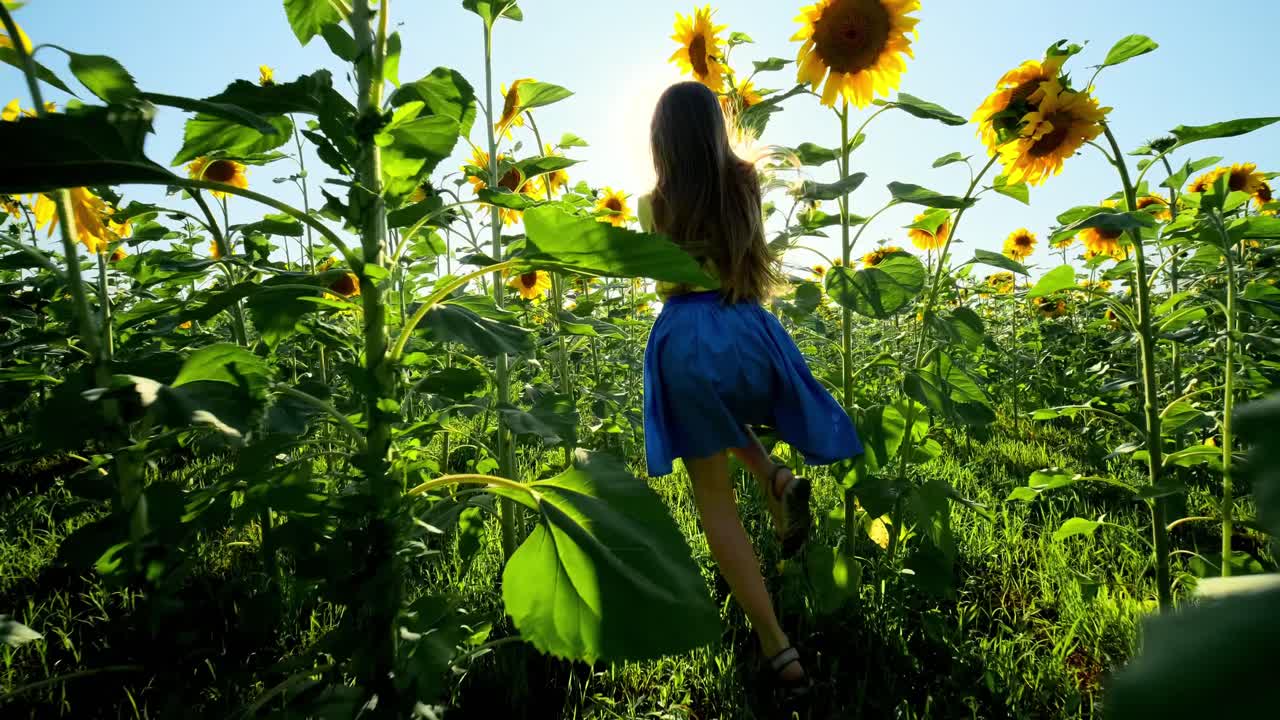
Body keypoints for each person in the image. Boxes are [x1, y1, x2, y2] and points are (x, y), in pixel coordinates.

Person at [638, 81, 863, 698]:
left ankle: (775, 644)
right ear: (718, 129)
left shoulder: (651, 204)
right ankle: (774, 476)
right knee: (720, 411)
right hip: (745, 328)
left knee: (713, 497)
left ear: (660, 141)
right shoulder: (745, 188)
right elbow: (751, 264)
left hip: (684, 335)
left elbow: (656, 271)